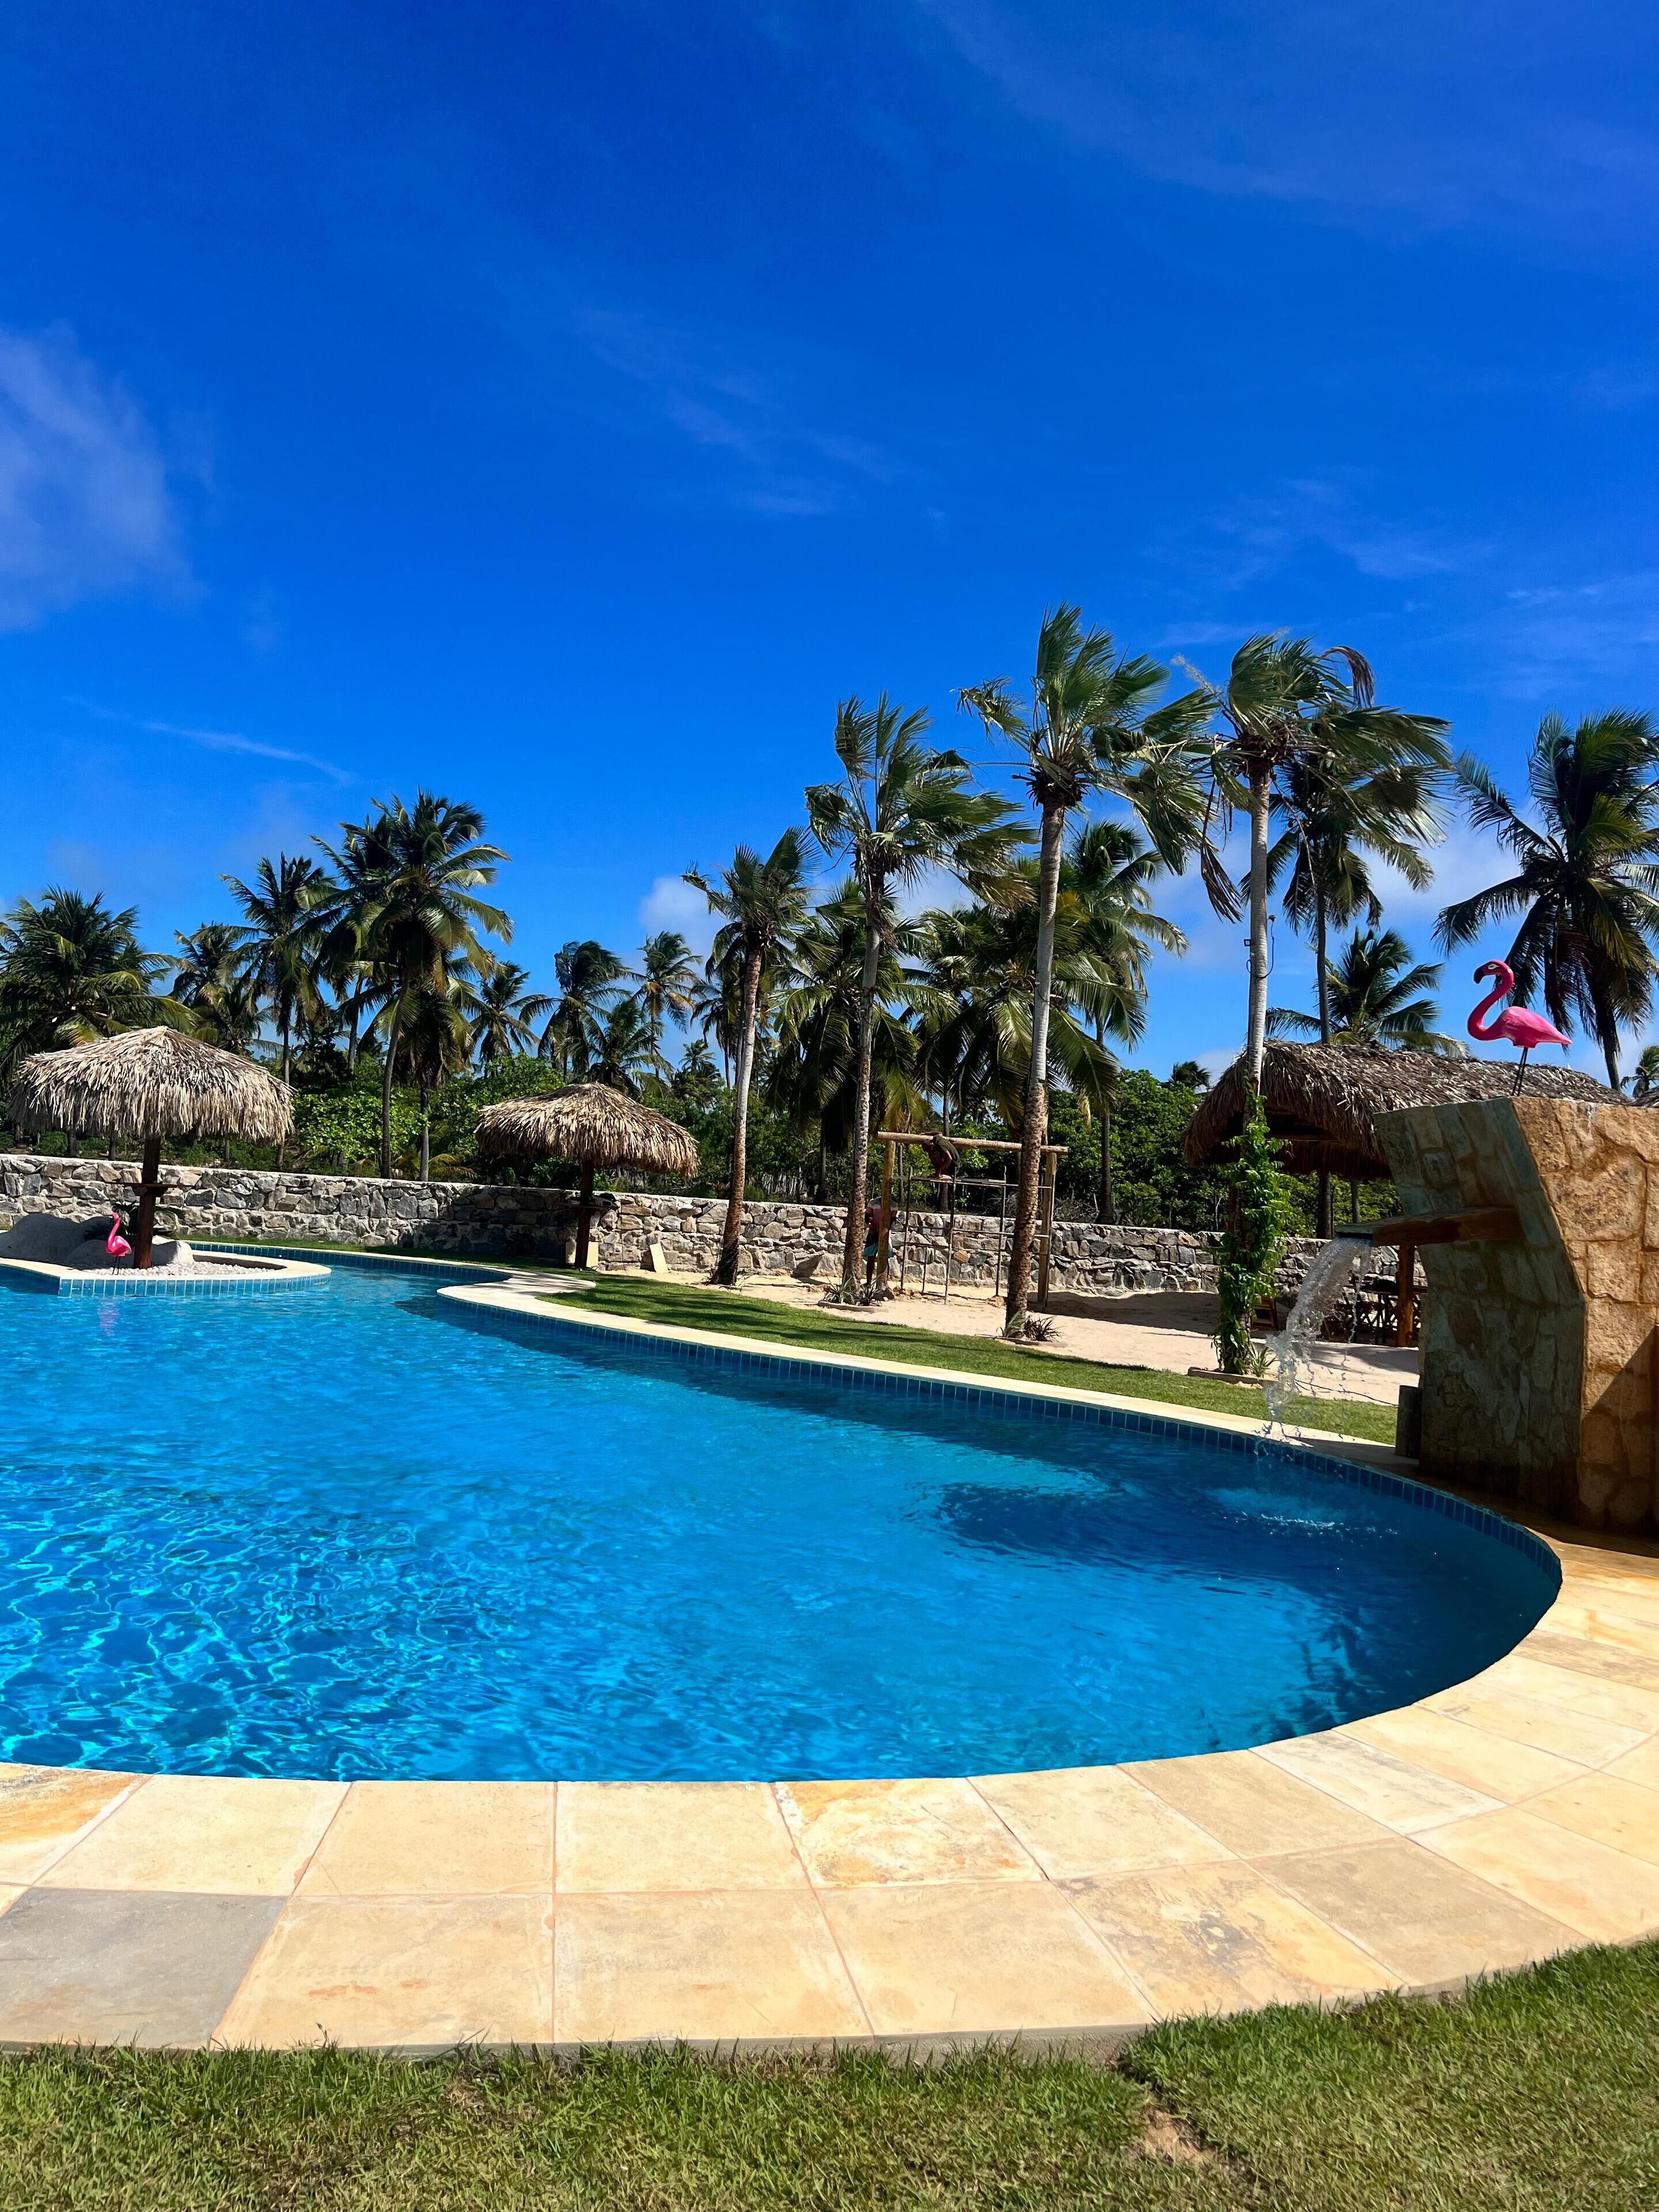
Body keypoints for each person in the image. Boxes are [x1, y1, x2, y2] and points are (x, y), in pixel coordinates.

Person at [863, 1203, 882, 1289]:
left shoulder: (893, 1204)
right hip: (873, 1233)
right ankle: (869, 1282)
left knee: (885, 1259)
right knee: (871, 1257)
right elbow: (867, 1216)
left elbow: (893, 1220)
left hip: (885, 1234)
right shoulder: (873, 1202)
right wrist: (872, 1224)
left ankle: (882, 1283)